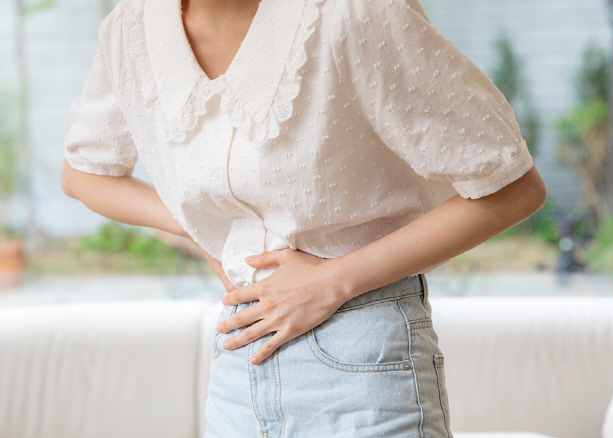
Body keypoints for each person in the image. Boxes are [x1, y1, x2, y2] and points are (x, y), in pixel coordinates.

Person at [60, 0, 547, 436]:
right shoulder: (130, 30)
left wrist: (332, 281)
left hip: (365, 354)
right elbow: (83, 175)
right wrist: (207, 234)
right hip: (240, 361)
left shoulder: (354, 14)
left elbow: (513, 190)